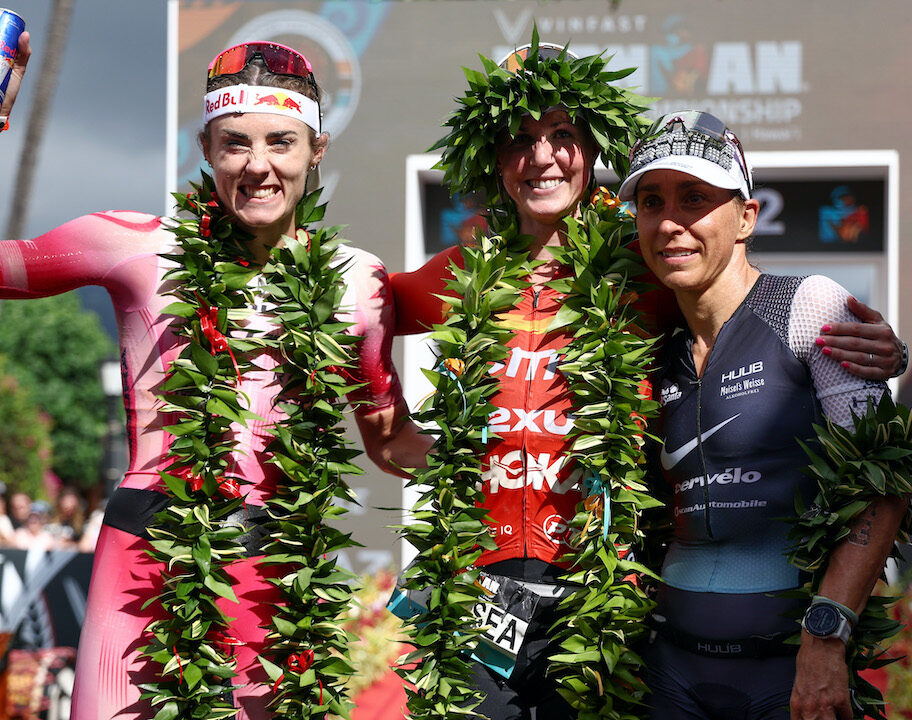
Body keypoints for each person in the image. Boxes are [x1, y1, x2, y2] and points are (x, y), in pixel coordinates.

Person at [389, 45, 905, 719]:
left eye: (564, 135)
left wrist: (885, 354)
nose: (543, 156)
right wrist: (393, 427)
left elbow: (752, 307)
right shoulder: (472, 277)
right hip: (543, 622)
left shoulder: (660, 273)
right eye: (521, 139)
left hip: (629, 620)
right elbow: (355, 316)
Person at [2, 34, 427, 719]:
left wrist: (498, 451)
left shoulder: (357, 282)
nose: (257, 166)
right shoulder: (138, 247)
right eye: (235, 143)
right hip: (144, 563)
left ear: (317, 151)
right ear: (205, 150)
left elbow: (391, 442)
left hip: (278, 580)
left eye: (280, 142)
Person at [615, 110, 908, 720]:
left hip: (790, 678)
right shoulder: (650, 344)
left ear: (747, 216)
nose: (670, 222)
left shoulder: (807, 307)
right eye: (651, 201)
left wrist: (825, 642)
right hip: (669, 676)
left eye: (695, 198)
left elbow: (882, 488)